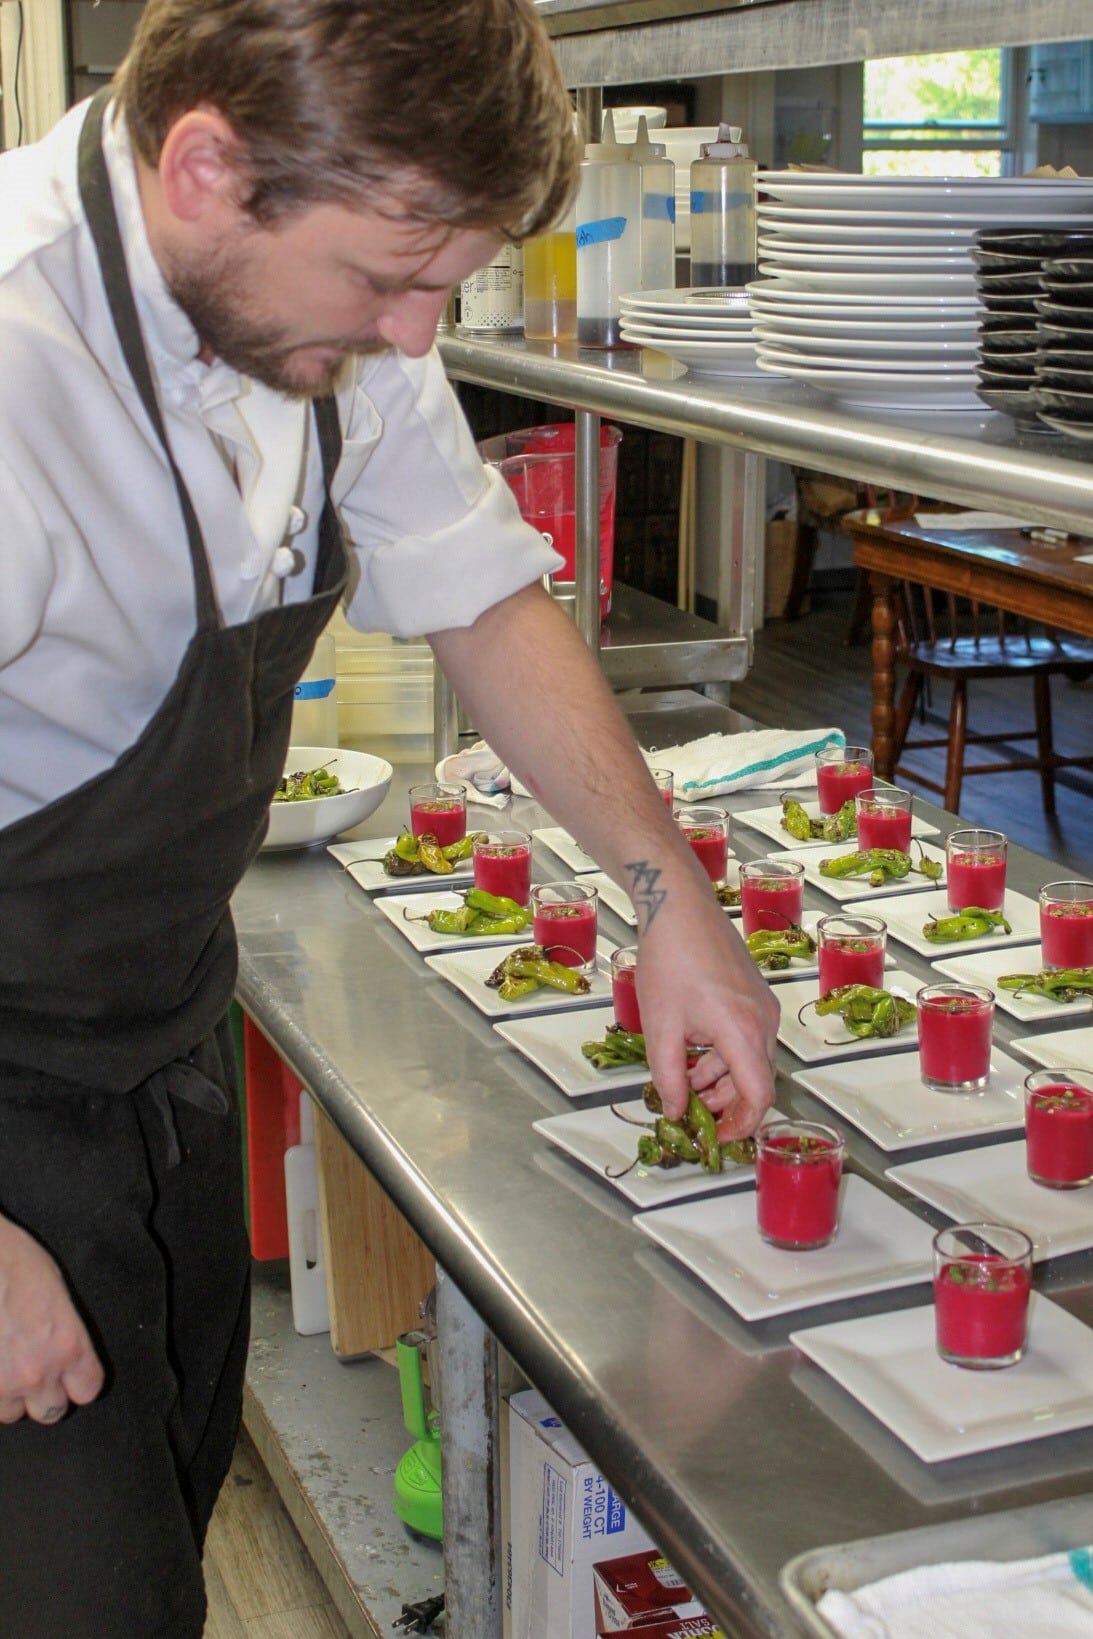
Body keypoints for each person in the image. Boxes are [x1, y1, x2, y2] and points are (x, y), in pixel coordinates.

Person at [0, 1, 778, 1631]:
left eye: (447, 286)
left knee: (168, 1499)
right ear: (208, 168)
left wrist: (670, 900)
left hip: (160, 1040)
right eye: (388, 280)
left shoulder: (339, 318)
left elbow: (483, 599)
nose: (420, 340)